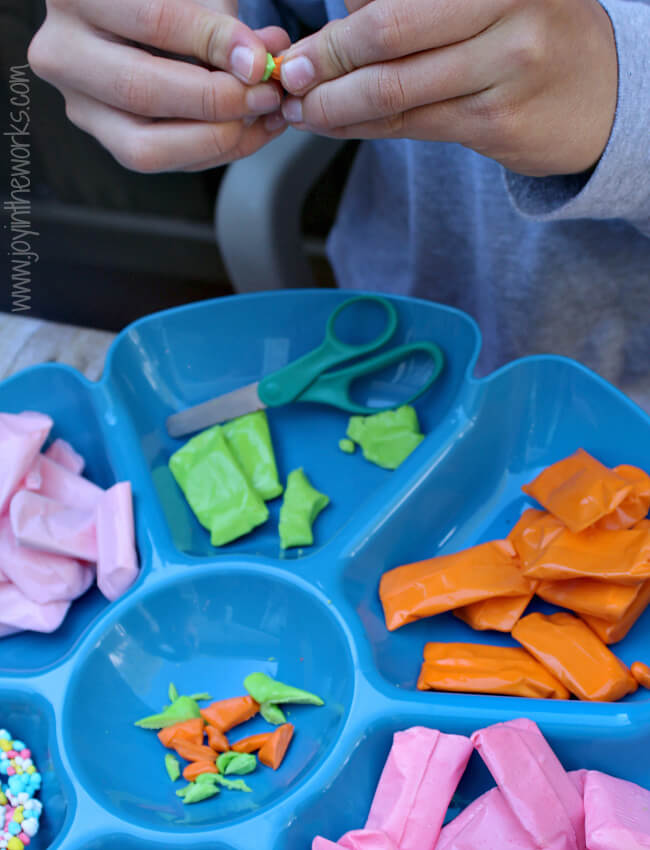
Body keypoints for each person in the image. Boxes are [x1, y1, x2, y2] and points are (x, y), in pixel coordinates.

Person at [27, 0, 650, 407]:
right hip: (395, 331)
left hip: (624, 395)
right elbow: (300, 12)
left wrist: (622, 88)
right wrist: (182, 33)